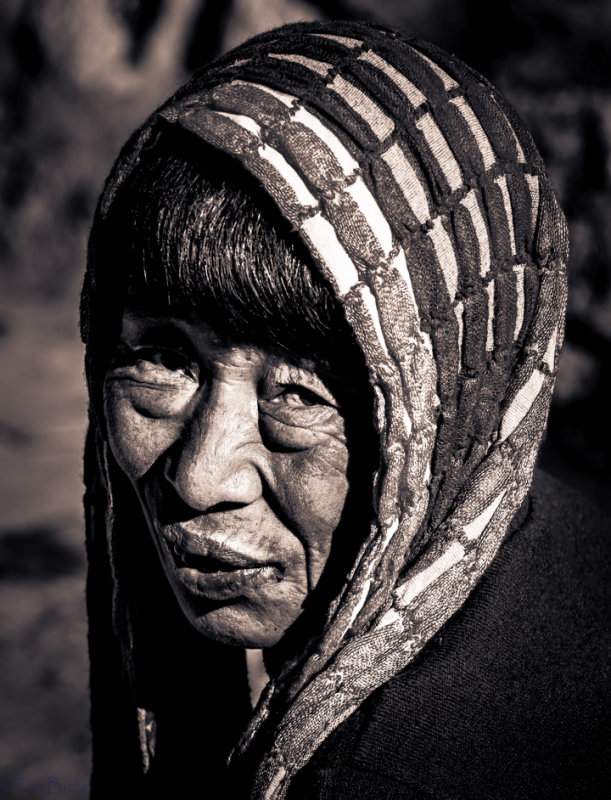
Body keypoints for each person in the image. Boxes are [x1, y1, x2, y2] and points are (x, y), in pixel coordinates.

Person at [81, 20, 611, 799]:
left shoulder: (378, 777)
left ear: (447, 405)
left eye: (300, 393)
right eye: (163, 360)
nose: (199, 479)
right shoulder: (556, 536)